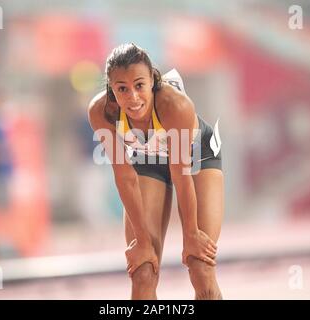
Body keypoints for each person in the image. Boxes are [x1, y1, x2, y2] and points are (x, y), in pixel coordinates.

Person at [88, 43, 224, 300]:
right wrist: (141, 241)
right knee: (143, 272)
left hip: (196, 157)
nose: (133, 97)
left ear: (152, 80)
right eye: (122, 89)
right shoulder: (101, 112)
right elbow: (124, 176)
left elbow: (181, 174)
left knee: (200, 267)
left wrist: (192, 234)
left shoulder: (176, 106)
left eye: (139, 86)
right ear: (111, 88)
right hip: (147, 158)